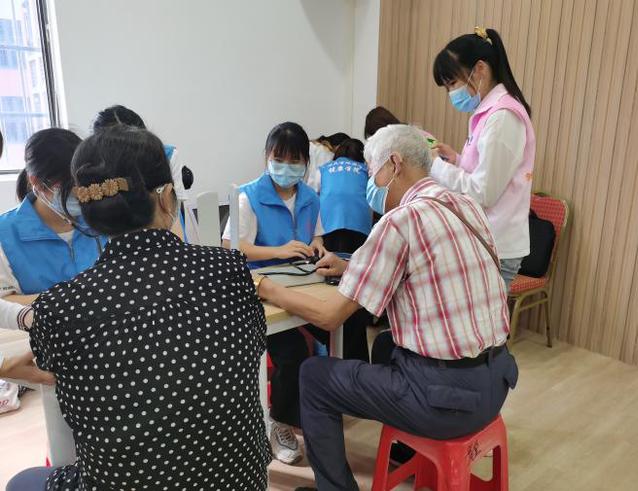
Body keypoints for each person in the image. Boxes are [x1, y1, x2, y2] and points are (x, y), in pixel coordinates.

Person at [6, 126, 270, 491]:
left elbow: (60, 383)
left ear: (86, 212)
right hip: (240, 480)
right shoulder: (228, 269)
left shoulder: (61, 309)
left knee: (22, 481)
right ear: (167, 197)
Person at [256, 124, 518, 491]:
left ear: (394, 164)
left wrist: (266, 287)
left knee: (314, 375)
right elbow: (425, 267)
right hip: (496, 384)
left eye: (371, 171)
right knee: (384, 344)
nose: (370, 183)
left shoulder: (400, 221)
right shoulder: (466, 207)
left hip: (445, 401)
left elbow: (330, 316)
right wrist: (350, 267)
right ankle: (409, 449)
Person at [221, 121, 323, 465]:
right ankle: (280, 421)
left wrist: (318, 247)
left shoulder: (310, 198)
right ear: (266, 156)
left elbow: (317, 236)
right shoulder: (248, 197)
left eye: (295, 161)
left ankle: (326, 408)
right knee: (292, 351)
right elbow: (231, 247)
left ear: (306, 163)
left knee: (344, 326)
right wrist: (279, 250)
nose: (286, 167)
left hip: (303, 284)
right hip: (261, 292)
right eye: (279, 159)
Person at [430, 27, 535, 292]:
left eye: (452, 83)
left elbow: (483, 192)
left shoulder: (503, 118)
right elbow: (484, 172)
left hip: (496, 244)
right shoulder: (488, 114)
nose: (451, 93)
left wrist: (435, 166)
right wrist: (455, 160)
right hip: (485, 238)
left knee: (482, 320)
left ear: (479, 69)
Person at [0, 128, 105, 306]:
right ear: (36, 182)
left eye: (83, 185)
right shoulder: (5, 234)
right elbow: (4, 302)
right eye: (69, 188)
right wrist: (70, 299)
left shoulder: (102, 220)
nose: (79, 194)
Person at [92, 104, 199, 243]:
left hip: (164, 234)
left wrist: (178, 251)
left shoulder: (166, 155)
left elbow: (174, 211)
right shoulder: (92, 167)